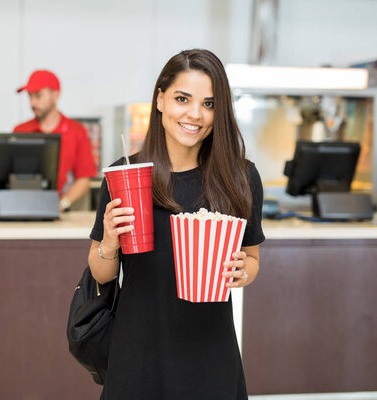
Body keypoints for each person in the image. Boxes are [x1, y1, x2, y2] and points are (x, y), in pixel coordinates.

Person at [88, 49, 265, 399]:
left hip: (210, 349)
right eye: (182, 99)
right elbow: (100, 272)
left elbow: (253, 260)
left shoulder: (239, 177)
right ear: (160, 100)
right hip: (137, 350)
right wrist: (109, 242)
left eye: (209, 104)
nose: (195, 114)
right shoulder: (124, 176)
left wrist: (244, 271)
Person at [14, 70, 97, 211]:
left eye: (38, 96)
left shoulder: (77, 131)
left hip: (63, 212)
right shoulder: (20, 131)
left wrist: (61, 205)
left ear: (56, 95)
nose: (32, 103)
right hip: (23, 207)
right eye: (30, 97)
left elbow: (84, 179)